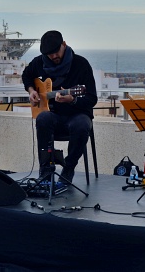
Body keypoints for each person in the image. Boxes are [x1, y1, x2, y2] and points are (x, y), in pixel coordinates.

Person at [22, 30, 97, 184]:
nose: (54, 56)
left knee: (82, 125)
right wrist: (31, 91)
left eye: (56, 51)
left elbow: (92, 98)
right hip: (54, 115)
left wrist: (72, 100)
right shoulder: (40, 63)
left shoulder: (81, 64)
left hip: (77, 114)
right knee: (42, 118)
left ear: (64, 44)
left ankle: (68, 169)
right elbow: (26, 75)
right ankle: (45, 171)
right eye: (50, 54)